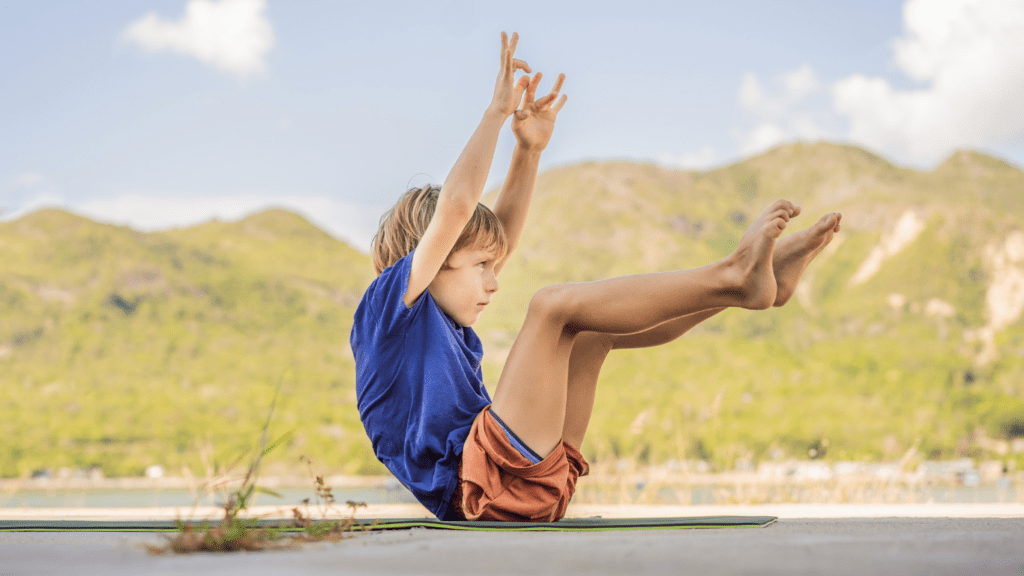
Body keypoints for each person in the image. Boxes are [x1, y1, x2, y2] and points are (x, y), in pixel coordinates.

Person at [351, 32, 842, 522]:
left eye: (490, 267)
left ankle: (747, 287)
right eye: (479, 267)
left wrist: (529, 150)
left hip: (530, 479)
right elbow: (456, 209)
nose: (494, 280)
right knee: (552, 306)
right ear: (429, 258)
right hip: (484, 485)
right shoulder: (386, 310)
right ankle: (734, 274)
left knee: (592, 333)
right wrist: (494, 114)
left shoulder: (437, 316)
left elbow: (499, 236)